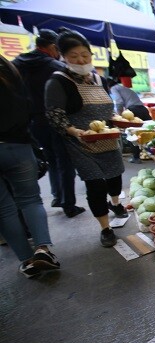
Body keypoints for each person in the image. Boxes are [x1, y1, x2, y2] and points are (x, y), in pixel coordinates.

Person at [44, 29, 128, 248]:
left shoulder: (100, 79)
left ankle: (116, 203)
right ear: (62, 56)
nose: (80, 60)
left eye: (85, 55)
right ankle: (105, 228)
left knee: (115, 177)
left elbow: (109, 109)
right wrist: (76, 132)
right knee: (95, 185)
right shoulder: (58, 81)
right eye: (74, 56)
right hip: (82, 143)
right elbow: (54, 115)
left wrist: (118, 119)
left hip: (108, 139)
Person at [12, 29, 84, 218]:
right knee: (65, 162)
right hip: (57, 120)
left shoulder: (17, 64)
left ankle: (56, 195)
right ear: (53, 47)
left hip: (33, 121)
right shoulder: (55, 67)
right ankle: (68, 203)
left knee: (50, 159)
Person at [0, 55, 61, 278]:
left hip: (17, 143)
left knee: (4, 209)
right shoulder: (7, 68)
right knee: (30, 200)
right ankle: (42, 250)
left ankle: (27, 262)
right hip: (18, 144)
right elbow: (28, 106)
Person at [108, 79, 151, 164]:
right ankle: (152, 152)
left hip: (133, 110)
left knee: (132, 133)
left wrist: (120, 115)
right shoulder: (124, 88)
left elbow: (119, 102)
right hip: (143, 109)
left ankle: (136, 157)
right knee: (149, 130)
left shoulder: (114, 88)